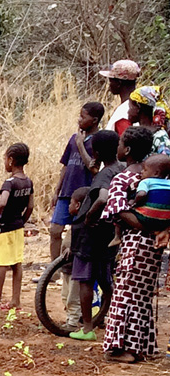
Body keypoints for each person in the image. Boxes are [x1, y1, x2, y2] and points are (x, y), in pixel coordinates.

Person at [101, 128, 162, 363]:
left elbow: (115, 210)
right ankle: (141, 346)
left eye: (120, 144)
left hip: (134, 242)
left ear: (126, 150)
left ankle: (121, 349)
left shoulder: (123, 178)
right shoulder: (157, 178)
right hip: (154, 245)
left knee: (125, 292)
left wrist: (141, 225)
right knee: (142, 296)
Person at [67, 130, 123, 341]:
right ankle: (109, 317)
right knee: (105, 278)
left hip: (90, 235)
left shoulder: (105, 173)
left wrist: (90, 216)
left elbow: (103, 197)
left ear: (96, 152)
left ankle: (88, 327)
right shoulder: (122, 169)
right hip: (109, 233)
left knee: (85, 280)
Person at [49, 101, 104, 262]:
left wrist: (81, 144)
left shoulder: (98, 140)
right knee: (55, 230)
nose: (79, 120)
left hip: (84, 194)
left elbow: (93, 168)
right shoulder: (74, 138)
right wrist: (57, 191)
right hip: (67, 191)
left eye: (83, 117)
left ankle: (72, 268)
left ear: (94, 120)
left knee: (78, 231)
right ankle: (54, 269)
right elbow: (65, 166)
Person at [0, 143, 33, 311]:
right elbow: (30, 206)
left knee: (1, 264)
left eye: (5, 159)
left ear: (11, 160)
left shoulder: (9, 183)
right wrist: (22, 220)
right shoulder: (28, 182)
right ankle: (16, 300)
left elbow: (2, 202)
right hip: (18, 228)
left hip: (4, 227)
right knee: (16, 263)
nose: (4, 162)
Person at [100, 60, 141, 137]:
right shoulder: (143, 103)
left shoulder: (124, 112)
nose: (109, 85)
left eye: (111, 81)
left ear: (119, 83)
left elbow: (126, 142)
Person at [128, 86, 170, 155]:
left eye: (130, 107)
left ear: (138, 107)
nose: (128, 111)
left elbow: (165, 161)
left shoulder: (159, 137)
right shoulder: (136, 131)